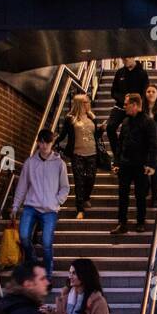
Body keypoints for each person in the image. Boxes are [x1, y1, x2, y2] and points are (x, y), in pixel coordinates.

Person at [12, 128, 69, 280]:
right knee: (23, 236)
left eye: (47, 143)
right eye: (41, 142)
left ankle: (48, 275)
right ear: (37, 142)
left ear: (52, 143)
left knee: (46, 242)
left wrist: (57, 201)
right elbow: (22, 185)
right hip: (31, 206)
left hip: (50, 210)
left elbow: (65, 187)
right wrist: (15, 206)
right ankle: (34, 264)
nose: (44, 146)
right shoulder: (30, 163)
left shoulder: (59, 164)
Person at [110, 93, 157, 235]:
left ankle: (140, 222)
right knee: (122, 194)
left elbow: (153, 145)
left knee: (140, 194)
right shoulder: (125, 121)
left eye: (126, 104)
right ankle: (122, 223)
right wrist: (117, 162)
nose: (124, 107)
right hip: (125, 164)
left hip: (141, 165)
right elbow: (120, 143)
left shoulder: (149, 122)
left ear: (135, 105)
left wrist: (151, 165)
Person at [55, 92, 102, 220]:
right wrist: (53, 141)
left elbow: (95, 136)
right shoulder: (70, 118)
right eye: (86, 102)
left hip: (92, 153)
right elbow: (63, 135)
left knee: (91, 178)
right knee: (79, 181)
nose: (88, 104)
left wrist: (101, 130)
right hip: (77, 154)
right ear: (80, 104)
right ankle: (80, 209)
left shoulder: (92, 117)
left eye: (88, 102)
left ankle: (86, 197)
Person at [105, 59, 150, 145]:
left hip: (135, 107)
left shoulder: (142, 73)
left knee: (131, 130)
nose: (124, 61)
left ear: (133, 58)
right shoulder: (120, 72)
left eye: (126, 59)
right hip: (121, 106)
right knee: (110, 127)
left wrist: (136, 101)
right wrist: (123, 99)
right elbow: (113, 92)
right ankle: (117, 153)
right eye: (122, 59)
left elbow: (145, 91)